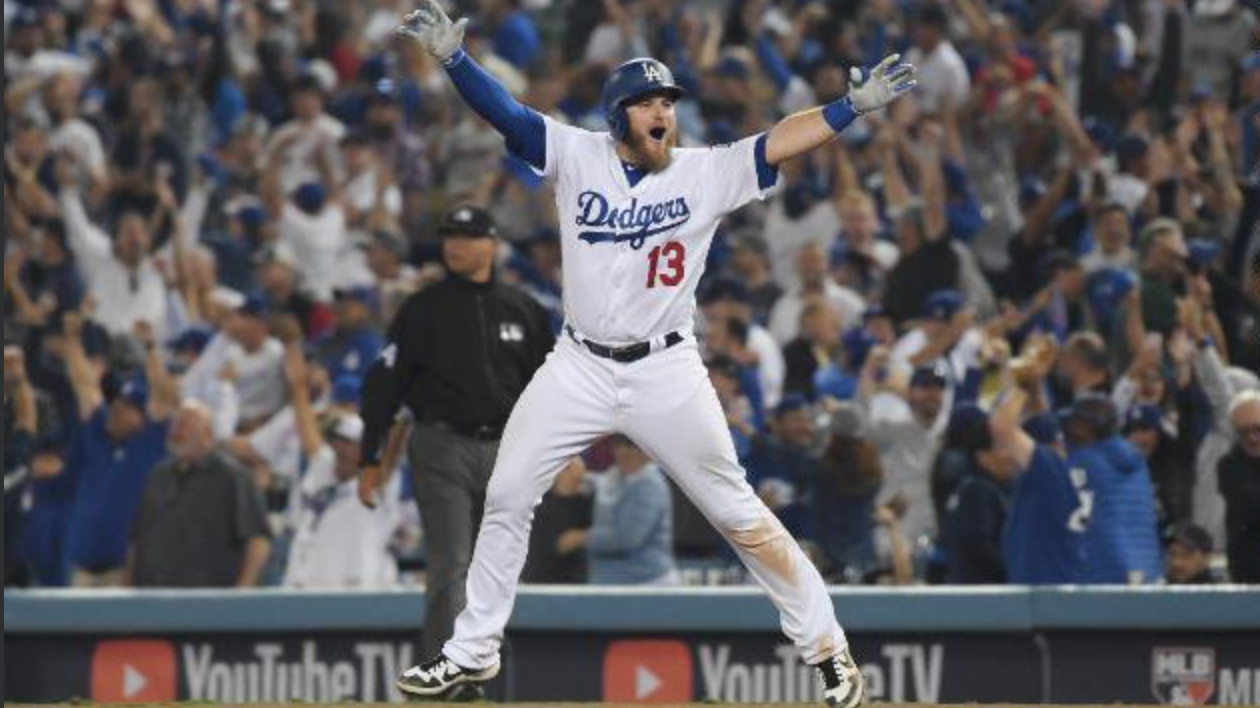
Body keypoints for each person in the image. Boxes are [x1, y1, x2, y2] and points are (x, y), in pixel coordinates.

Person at [386, 2, 915, 703]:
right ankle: (471, 651)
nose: (662, 111)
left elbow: (777, 143)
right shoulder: (578, 155)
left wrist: (847, 108)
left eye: (667, 100)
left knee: (736, 512)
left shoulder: (704, 172)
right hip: (579, 364)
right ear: (618, 116)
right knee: (509, 493)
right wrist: (456, 62)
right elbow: (509, 117)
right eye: (646, 103)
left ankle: (829, 650)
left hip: (667, 367)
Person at [359, 204, 554, 660]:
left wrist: (565, 455)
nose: (455, 246)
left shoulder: (523, 308)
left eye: (466, 237)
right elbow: (384, 386)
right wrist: (370, 457)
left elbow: (552, 390)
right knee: (451, 566)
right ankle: (448, 677)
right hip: (441, 444)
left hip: (509, 449)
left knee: (500, 570)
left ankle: (489, 674)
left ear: (492, 245)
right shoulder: (423, 308)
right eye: (449, 237)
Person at [127, 401, 271, 587]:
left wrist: (242, 591)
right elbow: (137, 538)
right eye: (174, 424)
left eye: (185, 425)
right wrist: (127, 585)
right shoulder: (157, 476)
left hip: (209, 604)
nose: (176, 431)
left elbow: (258, 539)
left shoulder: (232, 477)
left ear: (207, 435)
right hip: (152, 598)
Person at [560, 436, 678, 585]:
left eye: (631, 446)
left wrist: (581, 538)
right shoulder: (616, 475)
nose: (623, 451)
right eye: (618, 445)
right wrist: (574, 475)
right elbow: (593, 484)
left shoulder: (650, 485)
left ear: (646, 451)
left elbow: (627, 538)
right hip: (612, 581)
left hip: (647, 582)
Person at [1218, 390, 1260, 583]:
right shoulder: (1228, 466)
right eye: (1243, 432)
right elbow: (1251, 506)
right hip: (1248, 571)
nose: (1252, 438)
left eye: (1258, 429)